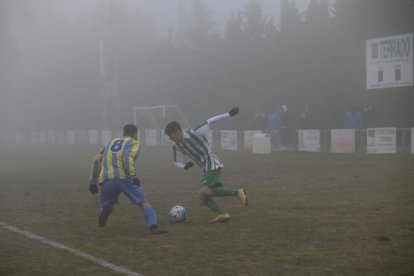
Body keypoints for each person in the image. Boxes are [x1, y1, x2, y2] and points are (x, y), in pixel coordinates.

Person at [164, 107, 247, 223]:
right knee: (203, 196)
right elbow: (177, 161)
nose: (170, 138)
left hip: (212, 162)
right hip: (205, 168)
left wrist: (229, 114)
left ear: (177, 132)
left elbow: (210, 121)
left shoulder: (194, 131)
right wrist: (184, 166)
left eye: (171, 136)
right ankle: (223, 214)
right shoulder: (177, 146)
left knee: (203, 191)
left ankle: (237, 193)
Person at [89, 123, 167, 235]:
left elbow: (96, 160)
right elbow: (127, 157)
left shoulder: (109, 143)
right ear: (135, 133)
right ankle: (153, 227)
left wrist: (93, 182)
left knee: (108, 205)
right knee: (143, 202)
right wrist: (133, 176)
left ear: (124, 132)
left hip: (106, 179)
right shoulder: (134, 143)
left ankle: (105, 210)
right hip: (123, 178)